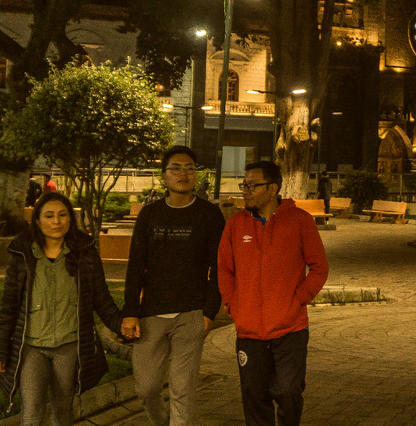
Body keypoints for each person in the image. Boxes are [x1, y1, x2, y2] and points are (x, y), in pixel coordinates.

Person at [0, 192, 124, 426]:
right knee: (31, 413)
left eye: (63, 215)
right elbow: (9, 305)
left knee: (63, 411)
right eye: (49, 216)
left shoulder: (85, 251)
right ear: (37, 220)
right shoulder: (22, 253)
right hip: (32, 346)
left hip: (69, 345)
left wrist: (121, 325)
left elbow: (101, 298)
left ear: (70, 220)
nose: (56, 222)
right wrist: (0, 349)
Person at [121, 146, 226, 426]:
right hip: (151, 313)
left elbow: (219, 267)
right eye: (176, 168)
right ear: (164, 176)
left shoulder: (209, 215)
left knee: (182, 391)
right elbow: (135, 265)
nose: (183, 174)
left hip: (191, 313)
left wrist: (208, 312)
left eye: (190, 168)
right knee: (146, 388)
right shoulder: (150, 215)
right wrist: (130, 311)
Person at [219, 161, 328, 426]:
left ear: (272, 189)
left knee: (289, 393)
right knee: (254, 398)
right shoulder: (236, 223)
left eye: (252, 185)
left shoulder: (300, 221)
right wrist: (234, 304)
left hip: (290, 329)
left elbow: (319, 267)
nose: (245, 190)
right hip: (249, 331)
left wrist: (298, 299)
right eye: (243, 184)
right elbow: (224, 268)